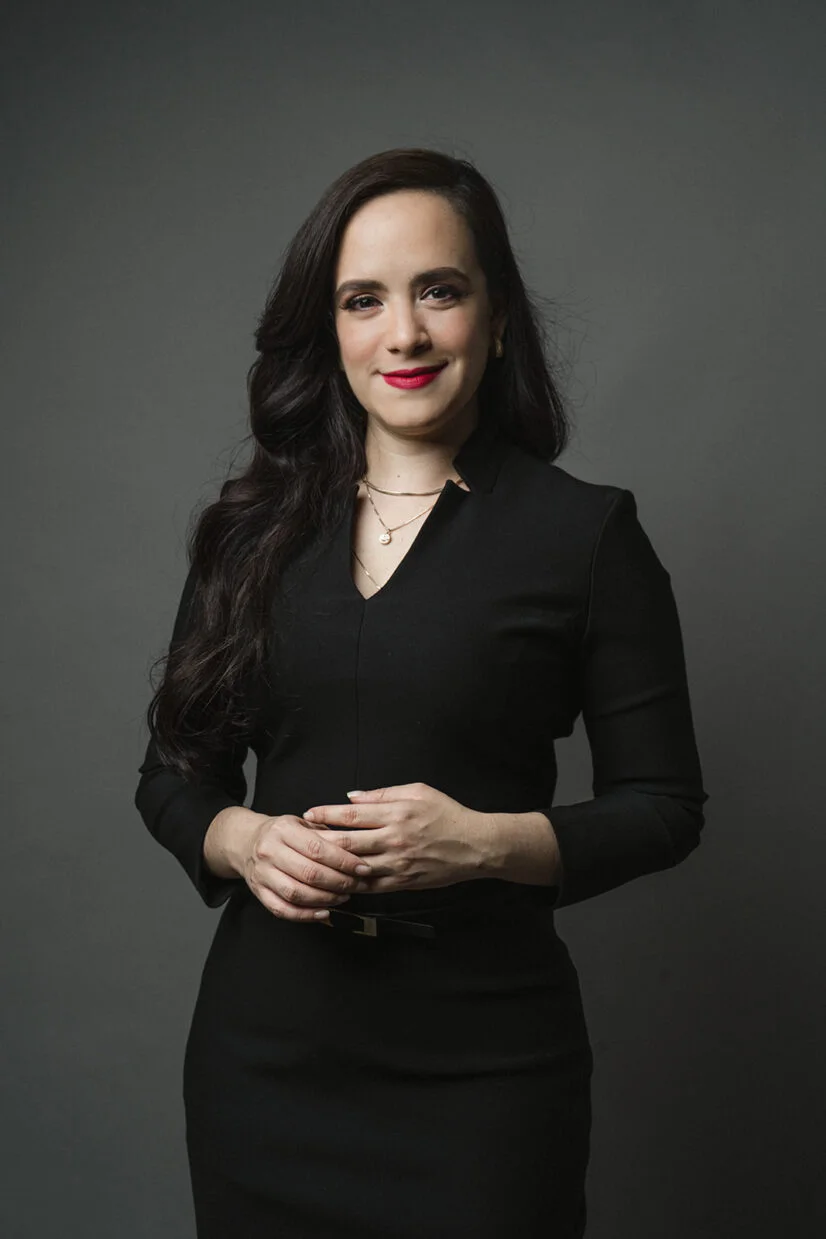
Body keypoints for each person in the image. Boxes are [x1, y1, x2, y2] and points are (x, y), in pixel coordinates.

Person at [134, 147, 708, 1239]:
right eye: (364, 300)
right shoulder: (252, 532)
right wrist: (242, 841)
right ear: (331, 331)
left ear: (498, 320)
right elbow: (172, 779)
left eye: (438, 291)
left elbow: (665, 808)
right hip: (265, 1065)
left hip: (487, 1073)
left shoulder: (585, 534)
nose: (403, 333)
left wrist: (484, 843)